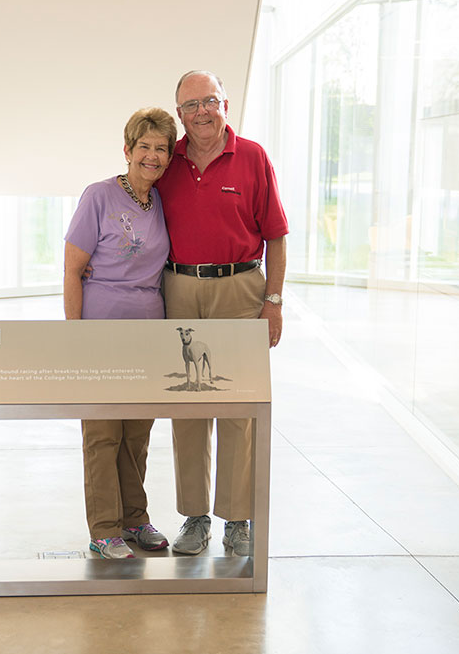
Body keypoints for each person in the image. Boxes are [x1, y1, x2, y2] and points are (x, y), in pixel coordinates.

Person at [154, 70, 288, 556]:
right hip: (180, 290)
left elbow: (276, 233)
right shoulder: (168, 162)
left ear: (225, 104)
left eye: (209, 101)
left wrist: (272, 301)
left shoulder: (252, 156)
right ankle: (194, 517)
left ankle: (237, 518)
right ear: (179, 115)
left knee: (239, 406)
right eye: (190, 106)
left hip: (240, 289)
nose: (201, 113)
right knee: (186, 403)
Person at [63, 107, 177, 559]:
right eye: (144, 146)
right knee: (103, 432)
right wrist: (74, 337)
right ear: (128, 150)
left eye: (162, 148)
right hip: (101, 329)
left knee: (137, 432)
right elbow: (73, 270)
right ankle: (104, 528)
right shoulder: (99, 196)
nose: (152, 156)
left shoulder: (162, 202)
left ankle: (135, 519)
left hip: (149, 329)